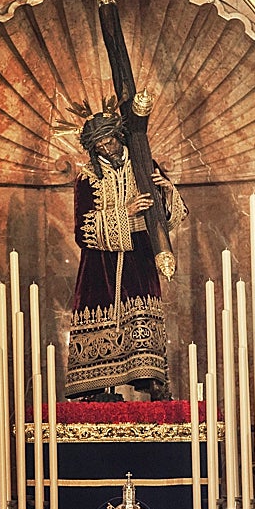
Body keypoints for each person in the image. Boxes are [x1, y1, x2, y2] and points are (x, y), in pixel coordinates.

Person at [65, 86, 187, 401]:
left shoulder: (145, 166)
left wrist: (166, 190)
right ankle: (99, 389)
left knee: (142, 320)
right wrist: (124, 213)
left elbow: (168, 220)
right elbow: (83, 230)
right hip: (100, 267)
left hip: (140, 260)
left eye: (111, 140)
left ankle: (150, 381)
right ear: (93, 149)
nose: (109, 147)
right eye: (101, 144)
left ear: (120, 136)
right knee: (102, 316)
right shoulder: (87, 179)